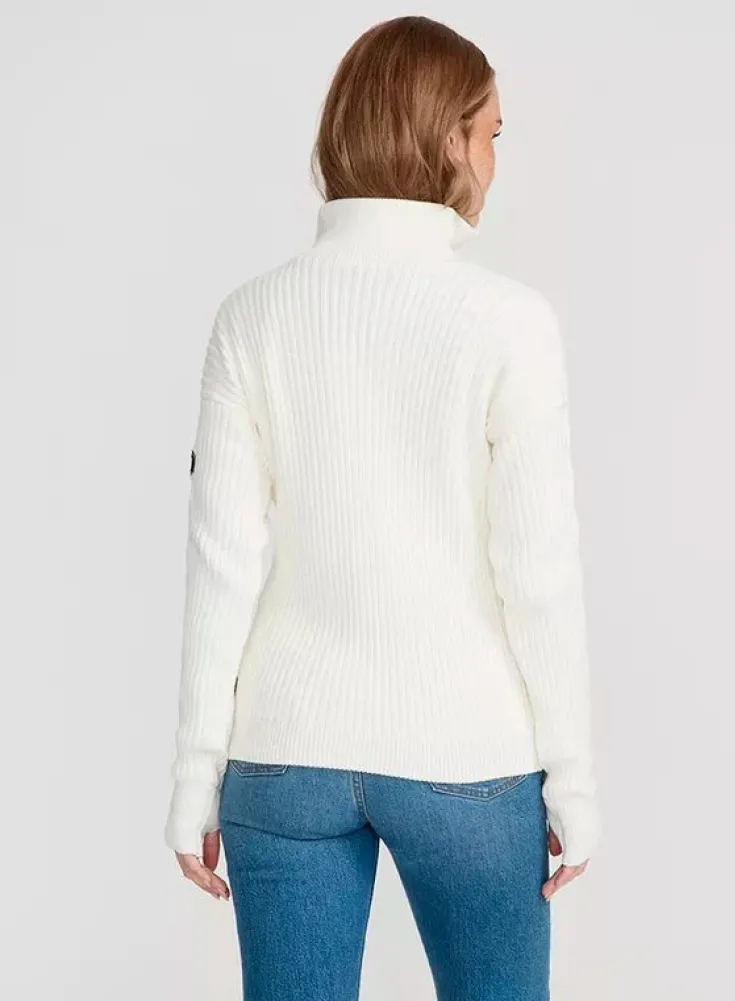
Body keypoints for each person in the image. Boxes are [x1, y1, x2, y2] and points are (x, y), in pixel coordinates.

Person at [164, 14, 600, 1001]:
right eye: (491, 133)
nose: (494, 160)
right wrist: (571, 778)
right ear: (448, 138)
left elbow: (222, 559)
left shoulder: (251, 317)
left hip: (282, 756)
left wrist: (195, 774)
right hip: (467, 757)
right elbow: (536, 570)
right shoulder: (509, 323)